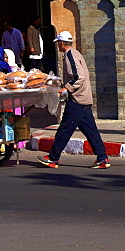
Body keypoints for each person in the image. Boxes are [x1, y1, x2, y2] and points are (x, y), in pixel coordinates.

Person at [37, 31, 109, 169]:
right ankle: (102, 158)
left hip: (77, 100)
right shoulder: (75, 54)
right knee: (91, 131)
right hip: (83, 99)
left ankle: (53, 158)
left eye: (58, 43)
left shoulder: (70, 55)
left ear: (62, 43)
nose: (58, 45)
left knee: (64, 129)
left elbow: (78, 77)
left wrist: (67, 88)